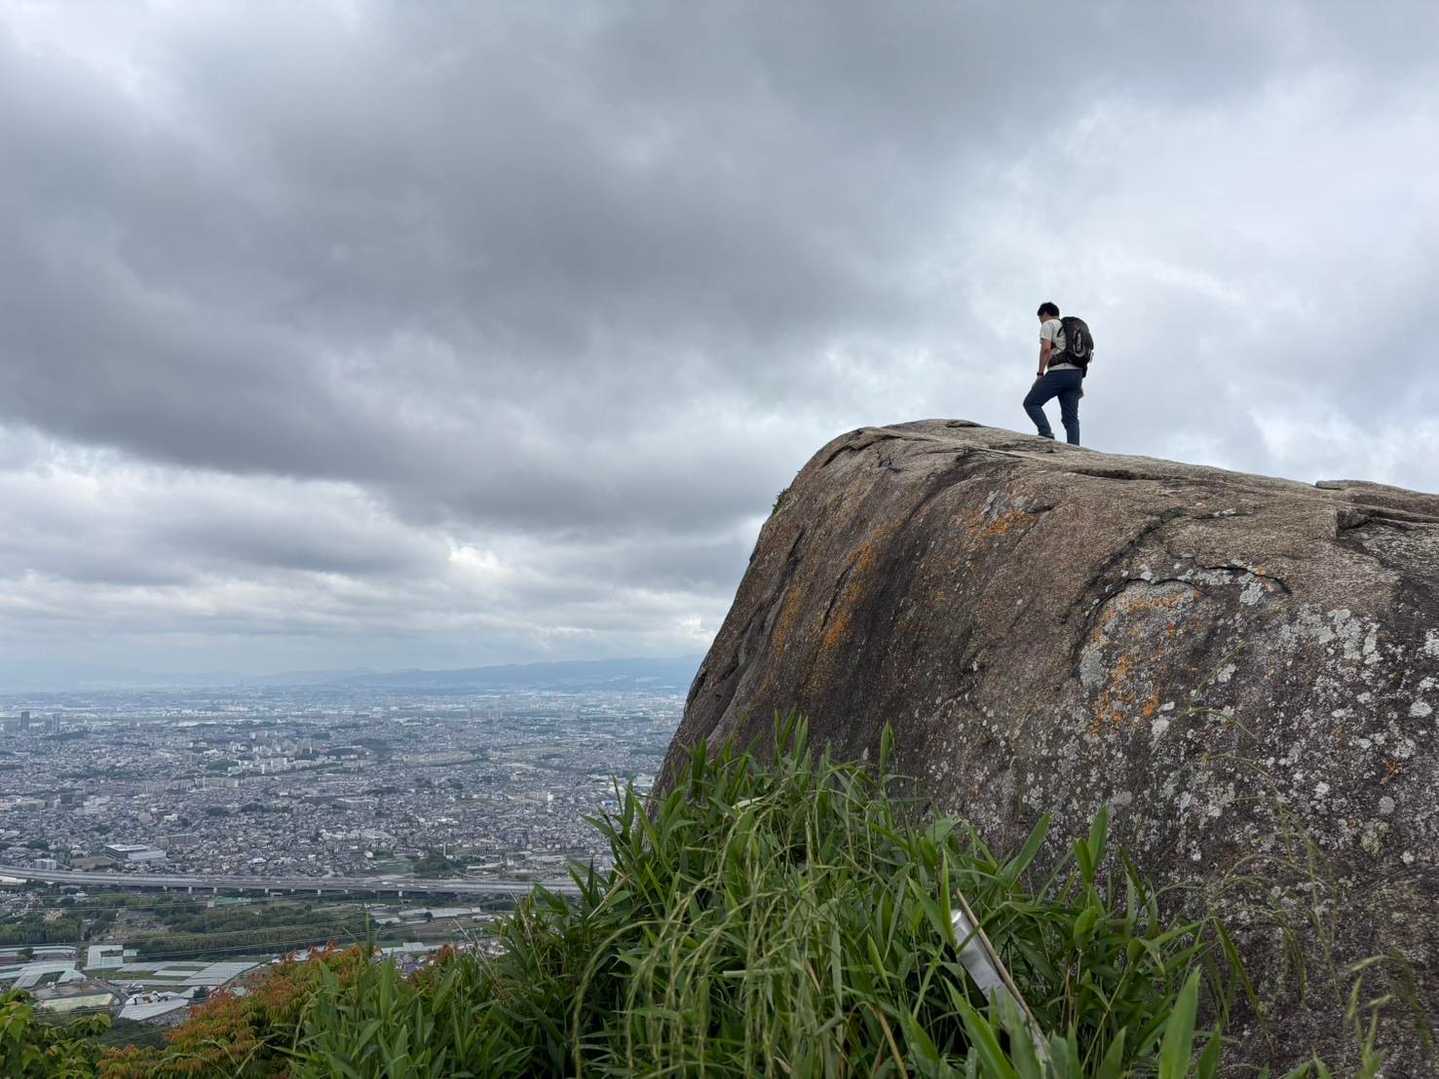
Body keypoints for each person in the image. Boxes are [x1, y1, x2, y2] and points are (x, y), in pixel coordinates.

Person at [1023, 301, 1083, 445]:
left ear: (1045, 314)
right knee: (1071, 418)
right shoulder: (1070, 329)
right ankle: (1075, 448)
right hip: (1076, 375)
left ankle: (1046, 433)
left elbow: (1046, 349)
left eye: (1040, 319)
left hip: (1058, 372)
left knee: (1031, 403)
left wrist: (1040, 374)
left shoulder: (1049, 324)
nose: (1041, 322)